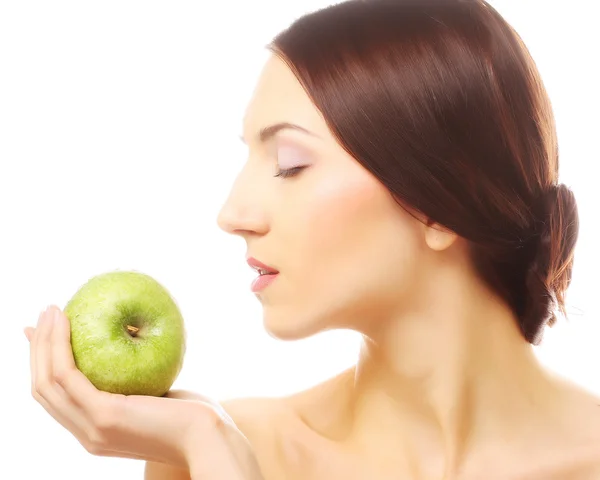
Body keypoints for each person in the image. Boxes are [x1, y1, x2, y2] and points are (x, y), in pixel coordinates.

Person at [25, 0, 600, 478]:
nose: (232, 214)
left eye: (291, 163)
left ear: (441, 206)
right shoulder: (222, 450)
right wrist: (211, 452)